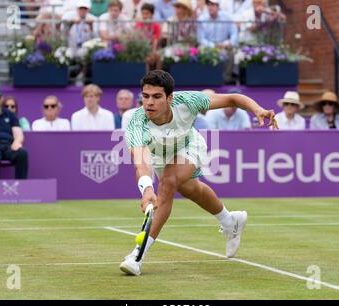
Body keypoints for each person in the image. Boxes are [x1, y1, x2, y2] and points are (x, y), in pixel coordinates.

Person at [119, 70, 278, 275]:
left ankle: (138, 255)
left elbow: (233, 98)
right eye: (145, 96)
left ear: (169, 98)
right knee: (191, 189)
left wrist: (258, 109)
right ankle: (230, 221)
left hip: (189, 145)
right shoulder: (136, 122)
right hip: (160, 156)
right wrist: (147, 189)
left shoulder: (189, 101)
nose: (149, 102)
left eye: (157, 96)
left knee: (168, 182)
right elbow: (141, 163)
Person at [197, 0, 238, 82]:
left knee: (230, 52)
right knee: (200, 51)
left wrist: (228, 43)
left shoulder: (227, 17)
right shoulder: (201, 19)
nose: (210, 6)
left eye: (213, 4)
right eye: (208, 4)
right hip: (208, 46)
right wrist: (213, 46)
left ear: (218, 6)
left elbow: (234, 32)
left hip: (224, 45)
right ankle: (206, 80)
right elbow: (201, 39)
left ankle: (226, 79)